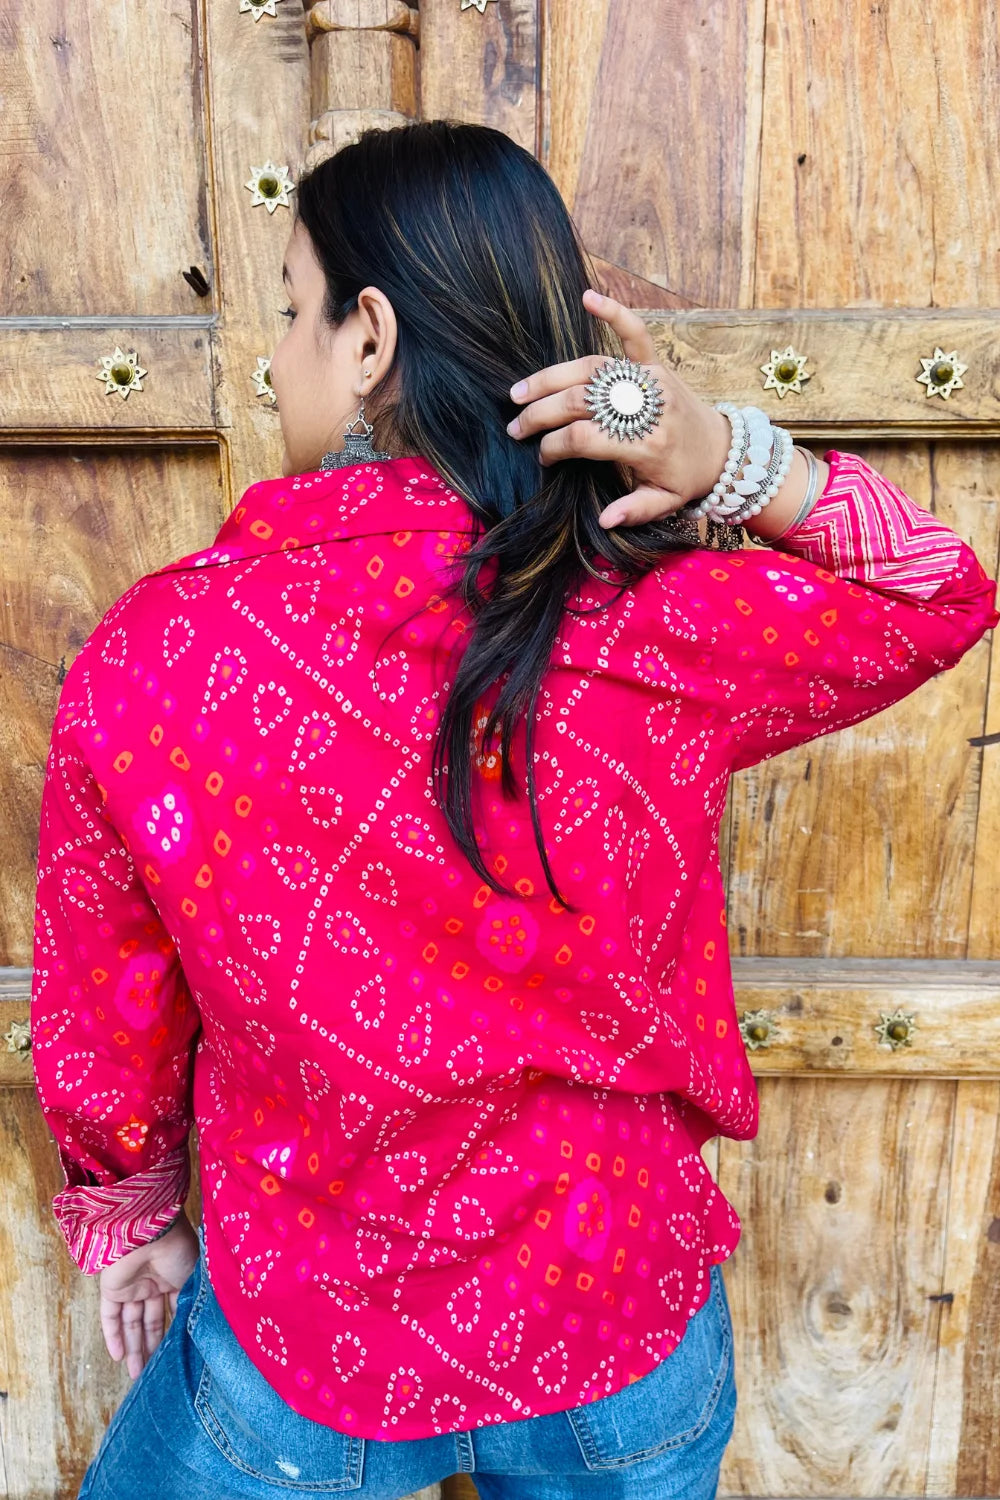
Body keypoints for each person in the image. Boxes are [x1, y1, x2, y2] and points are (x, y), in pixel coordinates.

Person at [29, 119, 997, 1500]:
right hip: (616, 1328)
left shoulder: (161, 648)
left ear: (369, 339)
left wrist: (134, 1214)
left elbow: (106, 987)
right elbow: (939, 590)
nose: (275, 352)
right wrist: (724, 456)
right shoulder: (651, 621)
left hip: (314, 1338)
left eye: (295, 309)